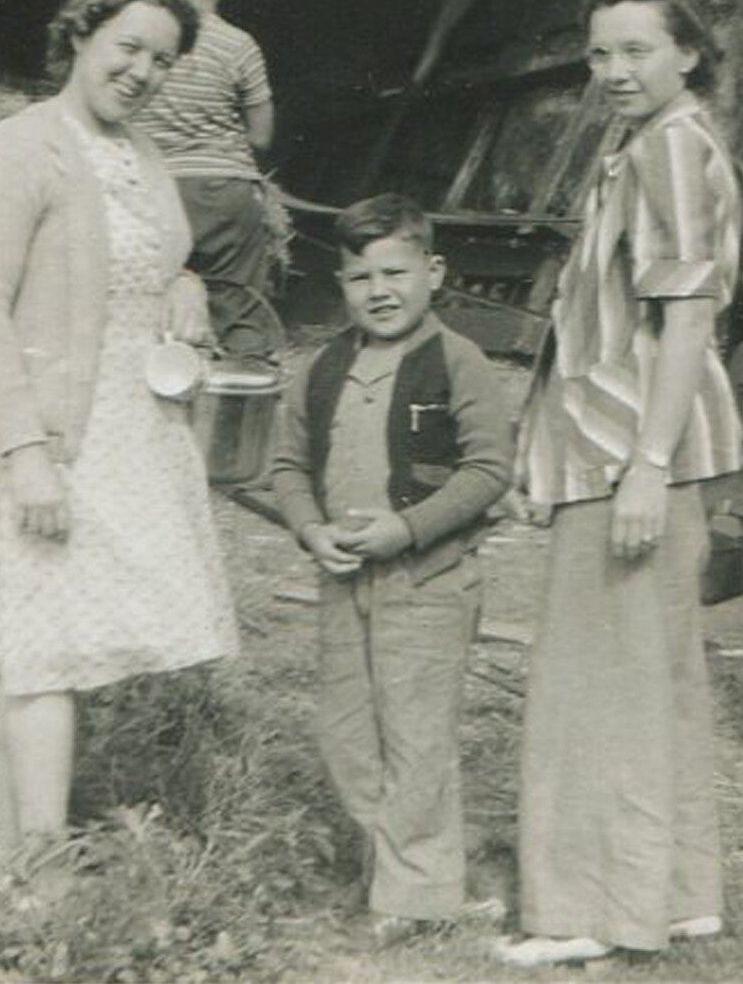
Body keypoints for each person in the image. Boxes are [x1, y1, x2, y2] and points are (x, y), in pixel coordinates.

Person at [0, 0, 240, 884]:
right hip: (54, 431)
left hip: (131, 425)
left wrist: (183, 285)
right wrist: (25, 452)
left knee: (47, 649)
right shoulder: (20, 147)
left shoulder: (144, 156)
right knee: (43, 647)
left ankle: (13, 863)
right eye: (128, 49)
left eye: (162, 59)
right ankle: (34, 870)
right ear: (79, 37)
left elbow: (154, 260)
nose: (143, 71)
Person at [495, 0, 743, 968]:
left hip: (633, 452)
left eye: (636, 49)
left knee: (592, 685)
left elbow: (689, 314)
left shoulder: (675, 149)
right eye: (600, 54)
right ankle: (678, 891)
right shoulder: (647, 145)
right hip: (622, 445)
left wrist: (645, 464)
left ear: (687, 51)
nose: (613, 71)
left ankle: (591, 911)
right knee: (657, 677)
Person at [272, 193, 512, 946]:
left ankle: (413, 896)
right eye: (358, 277)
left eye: (396, 272)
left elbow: (488, 470)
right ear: (340, 285)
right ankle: (397, 871)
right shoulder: (321, 367)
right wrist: (311, 529)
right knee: (346, 732)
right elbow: (284, 465)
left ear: (433, 272)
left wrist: (406, 529)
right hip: (344, 580)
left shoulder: (458, 362)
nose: (379, 291)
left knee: (415, 735)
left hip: (428, 582)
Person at [134, 0, 277, 353]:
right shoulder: (239, 46)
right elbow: (263, 135)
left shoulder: (146, 37)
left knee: (148, 307)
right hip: (224, 193)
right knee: (239, 309)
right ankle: (238, 400)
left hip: (152, 186)